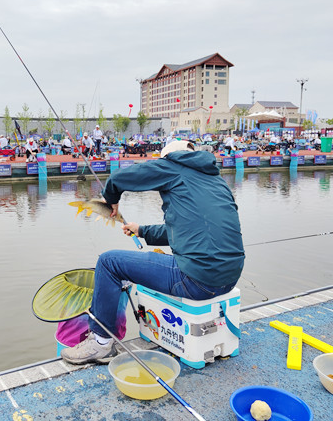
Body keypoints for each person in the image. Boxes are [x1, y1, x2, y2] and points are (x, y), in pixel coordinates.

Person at [61, 139, 245, 364]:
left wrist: (110, 200)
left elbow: (119, 178)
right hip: (228, 278)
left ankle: (100, 342)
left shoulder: (173, 166)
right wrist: (142, 231)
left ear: (167, 158)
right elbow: (185, 231)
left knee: (109, 262)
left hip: (196, 279)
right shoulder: (215, 180)